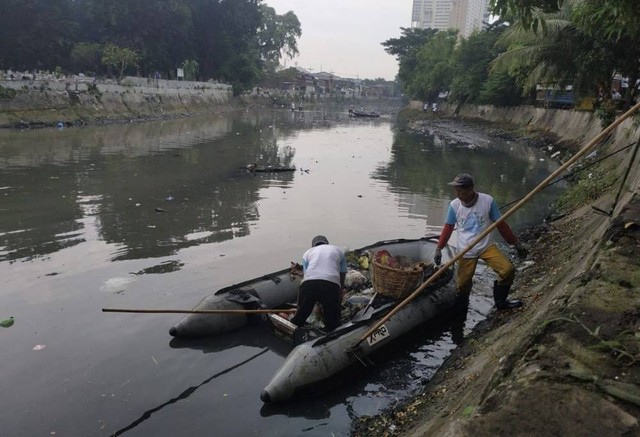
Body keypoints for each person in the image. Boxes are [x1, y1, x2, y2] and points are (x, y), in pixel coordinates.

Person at [434, 173, 527, 311]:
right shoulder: (454, 206)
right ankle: (462, 307)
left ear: (471, 189)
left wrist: (516, 244)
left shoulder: (488, 201)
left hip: (486, 246)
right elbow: (448, 228)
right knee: (463, 284)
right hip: (466, 249)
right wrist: (439, 248)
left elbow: (501, 225)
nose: (458, 194)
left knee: (507, 269)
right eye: (456, 190)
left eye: (461, 190)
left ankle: (501, 302)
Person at [290, 235, 347, 331]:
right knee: (332, 320)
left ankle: (294, 328)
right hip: (330, 284)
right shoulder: (338, 250)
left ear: (313, 246)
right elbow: (342, 272)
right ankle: (329, 332)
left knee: (301, 314)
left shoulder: (307, 253)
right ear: (327, 243)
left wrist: (305, 300)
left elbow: (307, 274)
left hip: (309, 285)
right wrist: (340, 289)